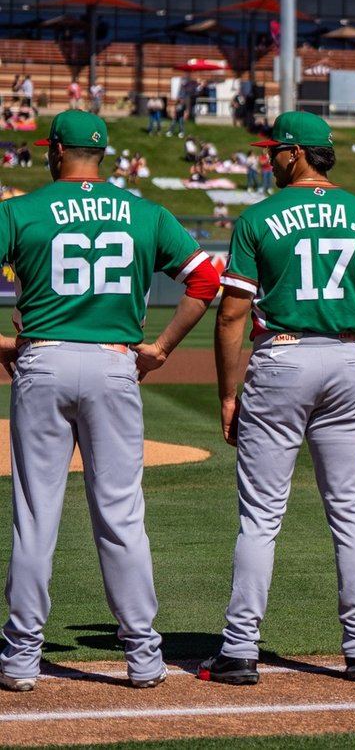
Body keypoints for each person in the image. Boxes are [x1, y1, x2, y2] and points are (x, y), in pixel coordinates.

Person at [0, 112, 217, 693]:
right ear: (101, 156)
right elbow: (205, 281)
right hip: (115, 362)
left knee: (35, 516)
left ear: (55, 151)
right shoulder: (146, 213)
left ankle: (21, 658)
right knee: (121, 516)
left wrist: (3, 343)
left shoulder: (19, 210)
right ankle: (143, 657)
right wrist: (161, 348)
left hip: (43, 359)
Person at [200, 112, 355, 686]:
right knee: (350, 510)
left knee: (261, 517)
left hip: (282, 357)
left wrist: (227, 394)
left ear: (295, 154)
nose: (268, 159)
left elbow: (232, 317)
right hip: (346, 359)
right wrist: (347, 343)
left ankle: (240, 650)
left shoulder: (259, 216)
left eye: (274, 150)